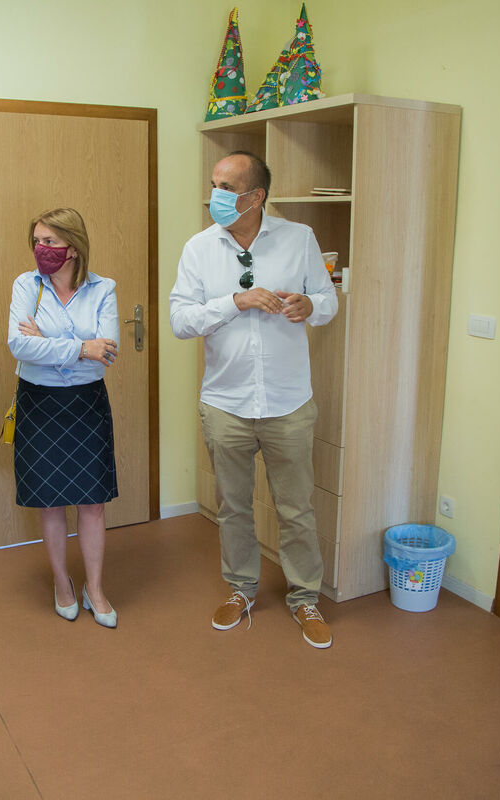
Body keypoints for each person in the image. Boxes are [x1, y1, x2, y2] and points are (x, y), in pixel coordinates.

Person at [170, 151, 339, 649]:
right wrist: (235, 302)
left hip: (289, 402)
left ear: (256, 196)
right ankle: (241, 589)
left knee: (296, 509)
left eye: (227, 187)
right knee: (233, 507)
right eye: (214, 184)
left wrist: (310, 305)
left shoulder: (299, 238)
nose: (215, 195)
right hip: (226, 402)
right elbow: (180, 321)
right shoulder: (200, 248)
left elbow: (328, 300)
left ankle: (304, 597)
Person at [8, 208, 120, 629]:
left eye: (50, 241)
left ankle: (96, 588)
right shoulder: (27, 285)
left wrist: (49, 343)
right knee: (50, 503)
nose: (41, 248)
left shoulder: (103, 289)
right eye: (37, 241)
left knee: (92, 503)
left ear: (73, 247)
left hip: (86, 404)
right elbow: (19, 346)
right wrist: (80, 348)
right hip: (39, 404)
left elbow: (107, 351)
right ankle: (62, 585)